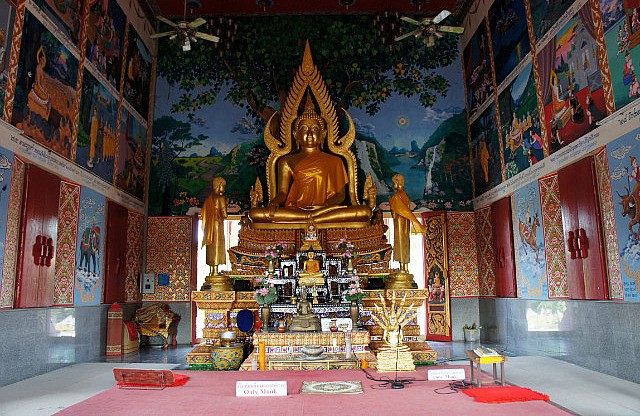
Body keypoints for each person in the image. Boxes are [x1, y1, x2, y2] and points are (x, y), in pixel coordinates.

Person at [249, 95, 371, 224]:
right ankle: (312, 217)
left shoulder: (335, 161)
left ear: (323, 134)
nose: (309, 134)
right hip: (296, 209)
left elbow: (340, 195)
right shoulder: (286, 161)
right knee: (256, 214)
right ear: (295, 134)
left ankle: (311, 217)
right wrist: (274, 202)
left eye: (315, 129)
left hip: (325, 210)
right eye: (304, 129)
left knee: (364, 212)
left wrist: (323, 206)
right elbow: (283, 193)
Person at [389, 174, 426, 274]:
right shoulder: (406, 196)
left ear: (397, 183)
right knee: (405, 242)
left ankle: (402, 268)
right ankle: (405, 267)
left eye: (393, 183)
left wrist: (391, 204)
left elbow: (394, 214)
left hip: (399, 223)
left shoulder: (396, 196)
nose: (393, 186)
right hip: (406, 223)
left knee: (400, 242)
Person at [200, 177, 228, 276]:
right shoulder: (221, 198)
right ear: (219, 185)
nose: (224, 189)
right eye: (223, 186)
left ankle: (212, 270)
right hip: (217, 223)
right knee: (217, 245)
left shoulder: (209, 198)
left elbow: (204, 213)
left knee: (211, 245)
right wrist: (226, 205)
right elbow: (224, 214)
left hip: (210, 225)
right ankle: (215, 271)